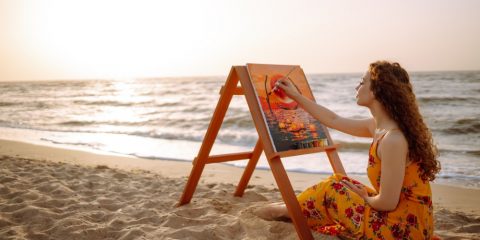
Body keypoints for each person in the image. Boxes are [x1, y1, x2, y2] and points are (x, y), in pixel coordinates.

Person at [255, 61, 441, 239]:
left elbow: (387, 202)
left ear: (378, 90)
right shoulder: (377, 127)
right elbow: (333, 120)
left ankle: (284, 211)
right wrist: (296, 96)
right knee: (339, 181)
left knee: (332, 188)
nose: (357, 87)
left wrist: (363, 196)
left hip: (401, 231)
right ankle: (288, 209)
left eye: (362, 82)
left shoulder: (393, 139)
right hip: (404, 219)